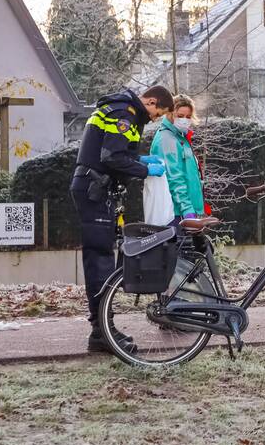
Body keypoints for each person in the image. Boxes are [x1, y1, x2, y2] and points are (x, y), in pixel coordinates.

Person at [70, 85, 174, 353]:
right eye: (156, 114)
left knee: (102, 258)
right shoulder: (124, 113)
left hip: (94, 187)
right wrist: (143, 168)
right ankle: (102, 332)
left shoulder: (116, 109)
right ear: (150, 102)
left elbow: (115, 153)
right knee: (100, 260)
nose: (153, 120)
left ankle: (102, 329)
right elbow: (112, 156)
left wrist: (139, 159)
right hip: (95, 190)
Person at [150, 95, 206, 224]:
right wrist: (187, 210)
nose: (185, 120)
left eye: (188, 117)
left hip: (186, 210)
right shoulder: (168, 139)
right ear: (170, 113)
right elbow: (174, 178)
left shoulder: (180, 138)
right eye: (180, 116)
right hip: (177, 213)